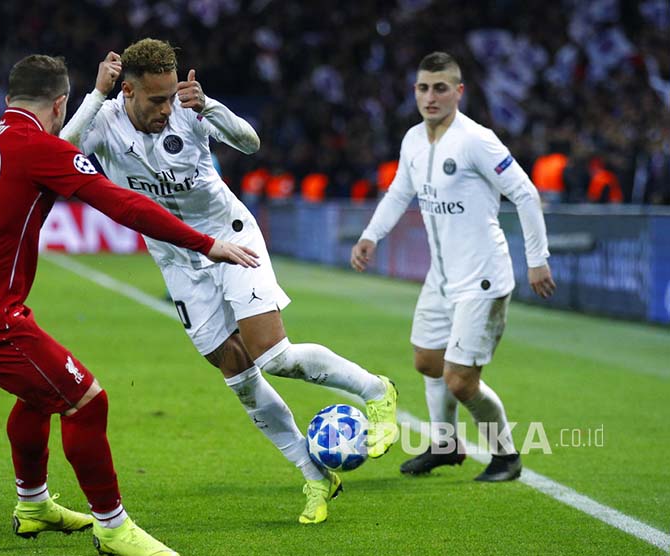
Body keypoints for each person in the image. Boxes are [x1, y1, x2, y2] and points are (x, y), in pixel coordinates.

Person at [0, 53, 260, 556]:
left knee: (41, 394)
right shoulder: (39, 148)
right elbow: (122, 203)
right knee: (87, 400)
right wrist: (205, 243)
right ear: (59, 104)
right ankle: (113, 527)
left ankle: (34, 506)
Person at [61, 40, 399, 524]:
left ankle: (375, 391)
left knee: (274, 356)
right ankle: (314, 475)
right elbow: (62, 153)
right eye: (155, 100)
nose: (166, 108)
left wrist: (210, 106)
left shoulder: (188, 109)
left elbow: (250, 143)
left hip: (230, 239)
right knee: (238, 376)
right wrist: (94, 94)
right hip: (178, 260)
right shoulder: (104, 119)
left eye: (170, 96)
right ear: (128, 90)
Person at [351, 52, 556, 482]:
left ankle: (506, 457)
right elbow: (397, 194)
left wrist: (537, 260)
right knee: (427, 361)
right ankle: (445, 445)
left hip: (482, 278)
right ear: (414, 92)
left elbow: (525, 193)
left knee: (460, 381)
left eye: (440, 87)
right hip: (441, 278)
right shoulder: (412, 140)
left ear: (458, 92)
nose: (431, 96)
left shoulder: (476, 140)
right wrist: (371, 235)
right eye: (423, 88)